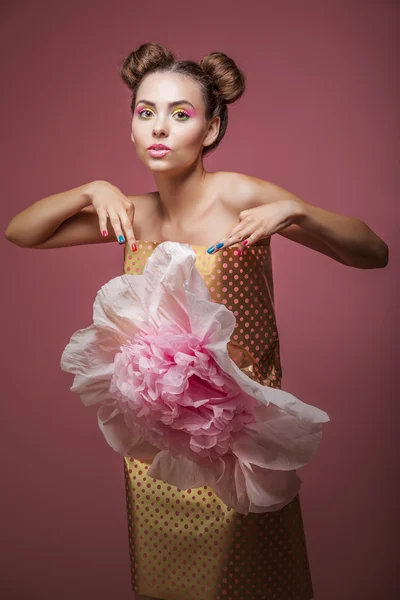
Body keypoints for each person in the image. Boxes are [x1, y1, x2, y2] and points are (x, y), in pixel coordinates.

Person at [5, 42, 388, 600]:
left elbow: (372, 252)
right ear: (132, 125)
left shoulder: (239, 195)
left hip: (240, 449)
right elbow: (22, 230)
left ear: (210, 129)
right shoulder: (129, 215)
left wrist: (299, 210)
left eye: (180, 114)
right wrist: (90, 189)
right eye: (146, 112)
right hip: (158, 456)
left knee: (251, 584)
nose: (159, 128)